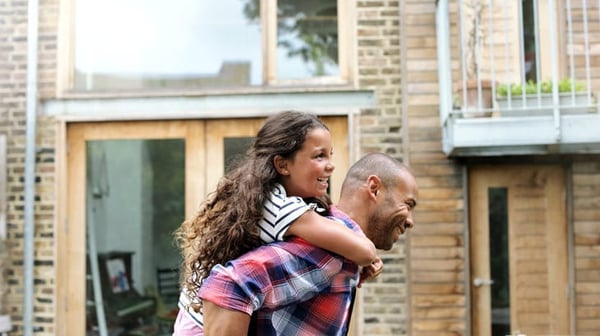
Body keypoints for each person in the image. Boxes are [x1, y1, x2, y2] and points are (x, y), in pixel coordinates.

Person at [173, 111, 382, 334]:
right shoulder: (280, 208)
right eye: (319, 156)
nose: (330, 166)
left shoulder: (264, 197)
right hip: (201, 326)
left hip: (194, 317)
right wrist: (363, 255)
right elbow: (364, 250)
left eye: (330, 155)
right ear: (283, 165)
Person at [198, 153, 418, 335]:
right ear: (374, 188)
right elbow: (229, 285)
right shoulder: (331, 252)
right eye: (407, 205)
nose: (410, 220)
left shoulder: (339, 251)